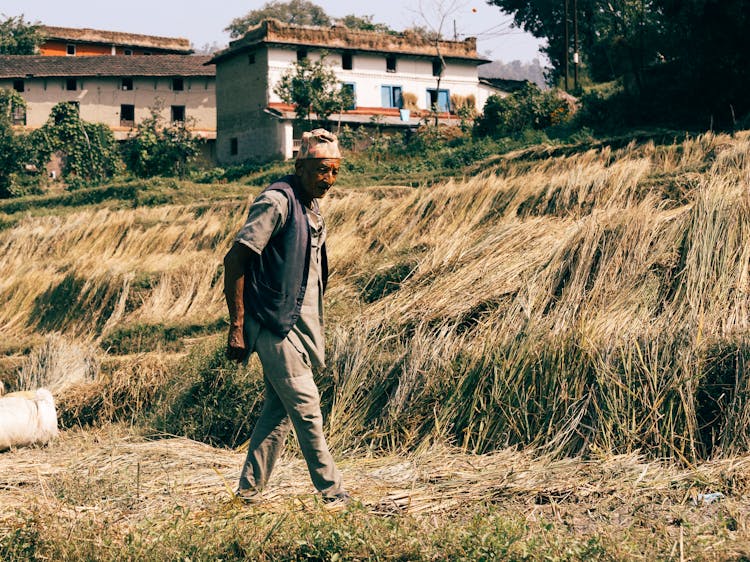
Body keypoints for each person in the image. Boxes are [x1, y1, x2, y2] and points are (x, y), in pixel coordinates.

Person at [223, 128, 349, 505]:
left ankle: (248, 494)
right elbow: (235, 260)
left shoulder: (310, 205)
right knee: (307, 410)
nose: (328, 179)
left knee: (277, 414)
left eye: (334, 171)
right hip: (273, 324)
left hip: (297, 325)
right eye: (321, 170)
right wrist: (237, 326)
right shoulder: (277, 201)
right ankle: (333, 492)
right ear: (300, 166)